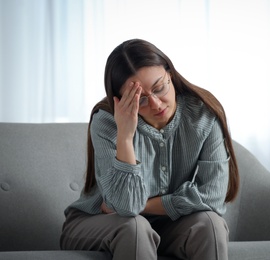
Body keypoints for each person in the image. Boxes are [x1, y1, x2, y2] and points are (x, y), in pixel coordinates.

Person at [60, 38, 240, 260]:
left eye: (159, 88)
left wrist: (144, 205)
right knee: (134, 228)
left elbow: (212, 198)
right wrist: (125, 137)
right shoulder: (106, 122)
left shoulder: (203, 114)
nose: (156, 104)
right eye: (140, 99)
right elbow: (125, 209)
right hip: (98, 223)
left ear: (170, 74)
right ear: (119, 101)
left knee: (210, 224)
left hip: (168, 226)